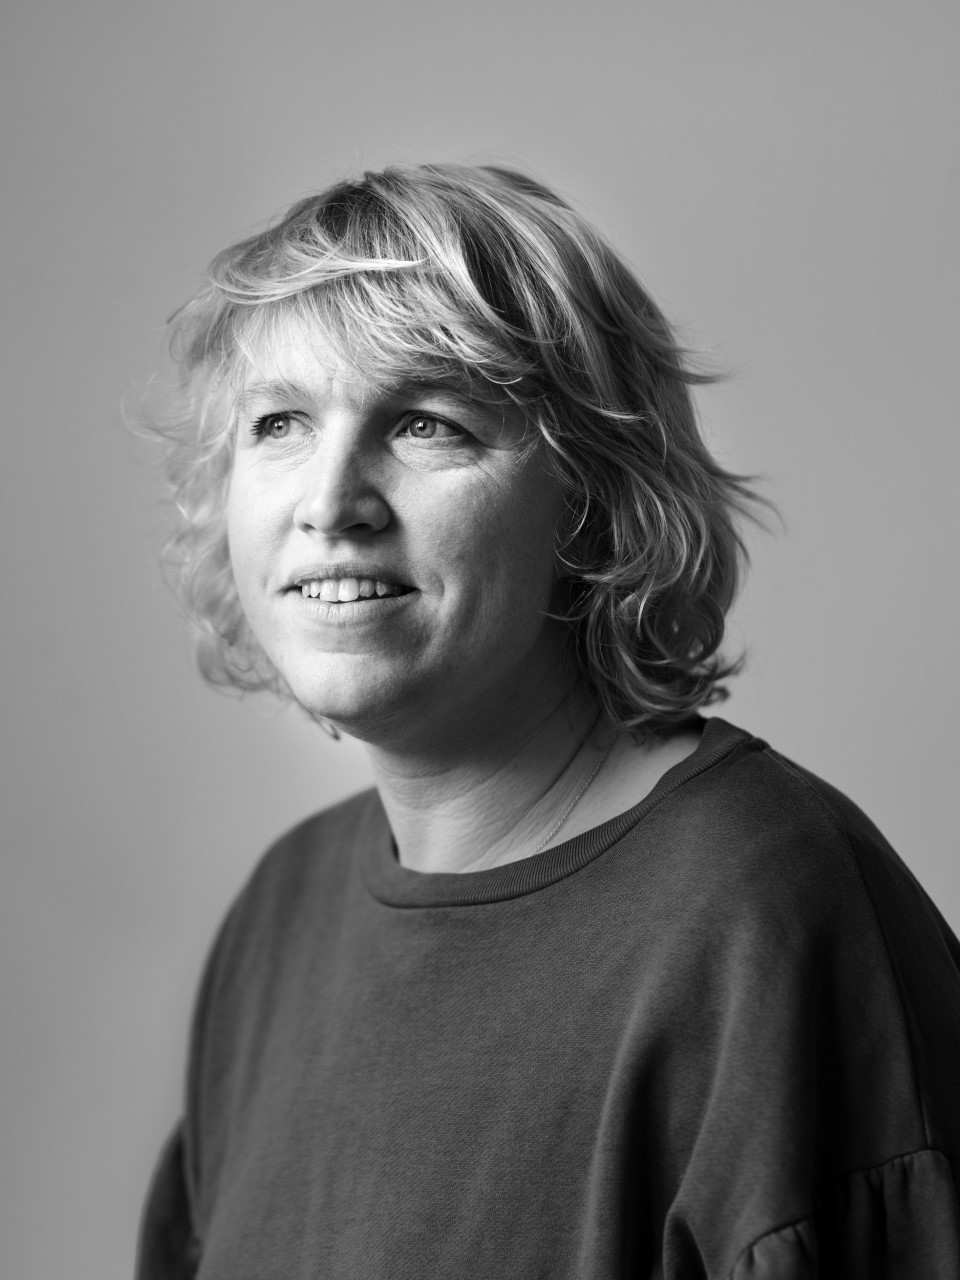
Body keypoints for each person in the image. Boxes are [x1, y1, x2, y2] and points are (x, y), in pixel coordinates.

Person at [136, 164, 960, 1279]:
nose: (330, 502)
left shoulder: (765, 916)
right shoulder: (281, 916)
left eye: (426, 423)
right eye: (279, 422)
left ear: (593, 498)